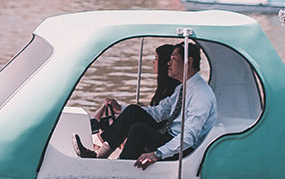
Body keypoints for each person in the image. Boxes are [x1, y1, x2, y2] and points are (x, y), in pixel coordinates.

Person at [73, 42, 217, 170]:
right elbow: (159, 112)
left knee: (139, 130)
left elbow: (188, 137)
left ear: (188, 62)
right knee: (133, 111)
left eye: (174, 59)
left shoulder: (201, 95)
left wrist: (157, 154)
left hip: (184, 149)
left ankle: (119, 170)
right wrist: (121, 109)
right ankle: (100, 154)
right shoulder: (182, 89)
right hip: (169, 137)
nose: (168, 63)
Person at [89, 43, 180, 135]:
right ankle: (95, 130)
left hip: (158, 129)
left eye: (156, 58)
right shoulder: (165, 87)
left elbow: (159, 114)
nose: (153, 62)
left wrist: (123, 108)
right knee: (108, 108)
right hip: (154, 123)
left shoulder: (175, 89)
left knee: (125, 113)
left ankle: (96, 134)